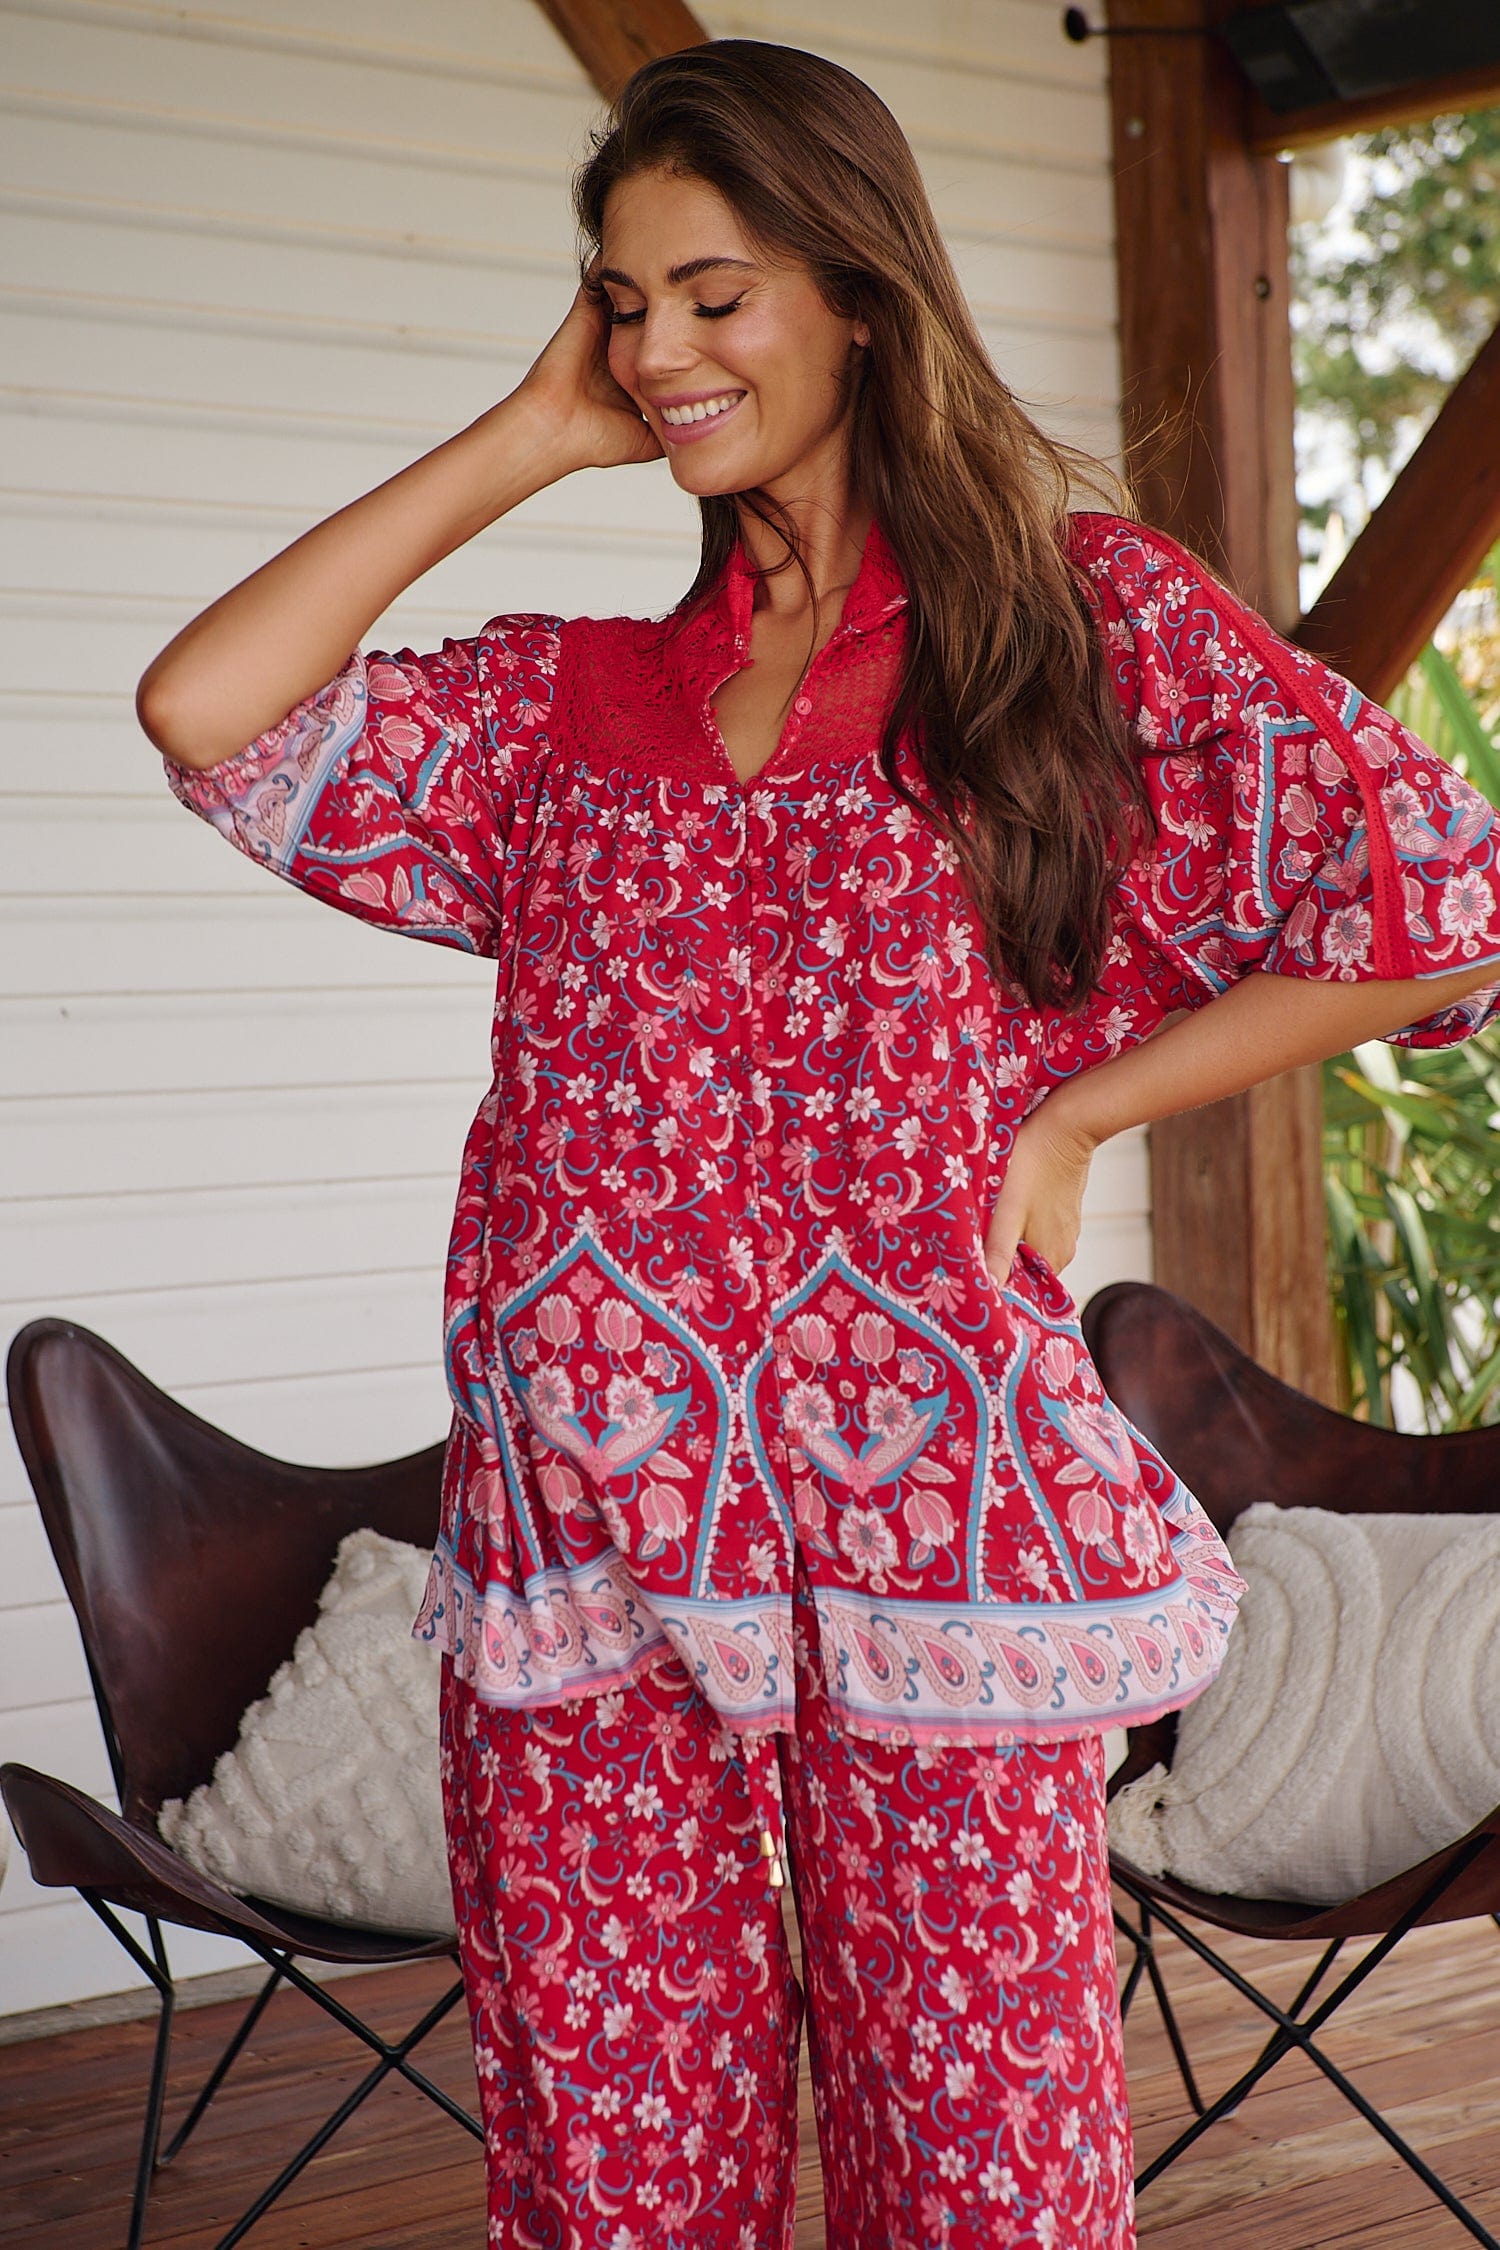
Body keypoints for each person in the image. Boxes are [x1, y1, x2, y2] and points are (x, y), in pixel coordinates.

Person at [136, 39, 1500, 2250]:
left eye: (714, 293)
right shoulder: (563, 711)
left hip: (936, 1531)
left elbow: (1439, 899)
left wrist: (1082, 1106)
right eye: (621, 304)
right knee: (611, 2184)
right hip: (587, 1542)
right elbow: (209, 713)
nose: (658, 350)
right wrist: (531, 432)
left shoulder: (1073, 631)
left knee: (986, 2182)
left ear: (861, 297)